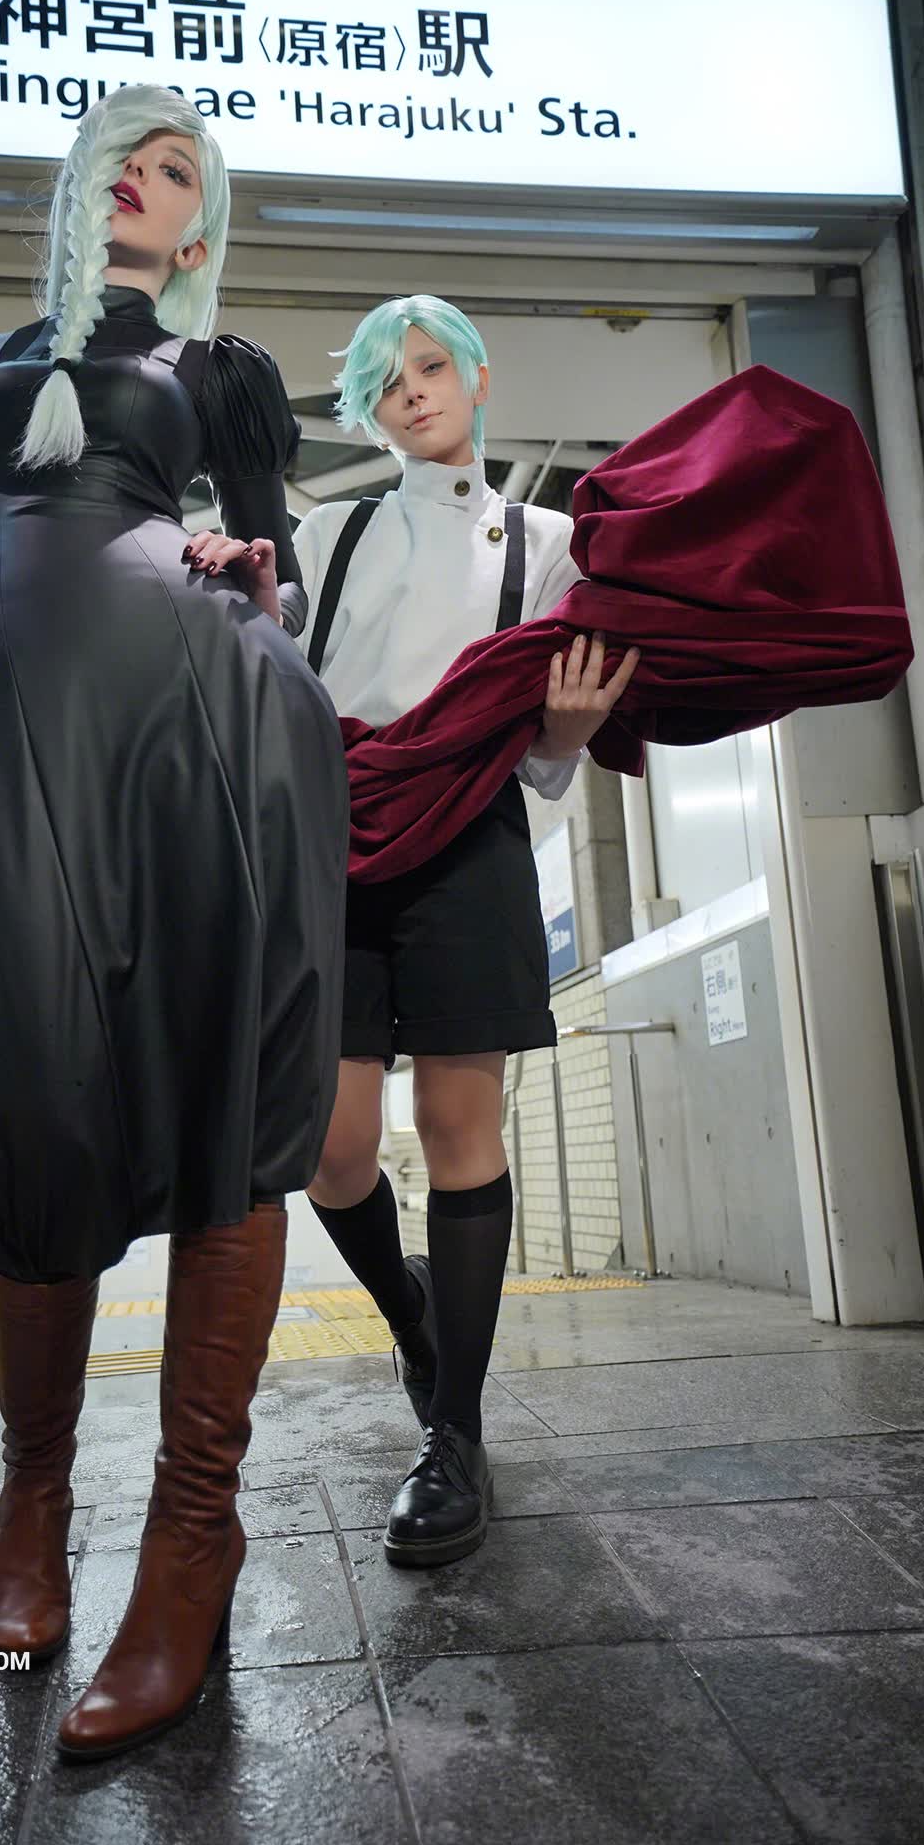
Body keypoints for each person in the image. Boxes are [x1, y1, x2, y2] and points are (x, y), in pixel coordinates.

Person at [0, 84, 349, 1762]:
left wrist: (248, 558)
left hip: (191, 722)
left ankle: (192, 1531)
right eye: (120, 161)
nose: (142, 181)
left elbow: (275, 557)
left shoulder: (219, 368)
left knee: (228, 1097)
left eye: (175, 169)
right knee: (28, 1100)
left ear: (201, 220)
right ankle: (34, 1488)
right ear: (75, 191)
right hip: (7, 731)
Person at [292, 295, 637, 1569]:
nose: (414, 393)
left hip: (471, 839)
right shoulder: (326, 532)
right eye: (388, 382)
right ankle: (417, 1322)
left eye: (433, 367)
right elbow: (284, 696)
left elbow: (542, 748)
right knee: (328, 1147)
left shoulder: (546, 544)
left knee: (455, 1125)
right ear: (370, 410)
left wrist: (568, 735)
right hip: (337, 841)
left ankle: (455, 1434)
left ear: (477, 379)